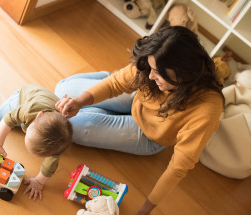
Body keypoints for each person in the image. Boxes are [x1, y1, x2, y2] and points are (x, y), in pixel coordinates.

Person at [55, 26, 224, 214]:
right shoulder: (152, 66)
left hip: (149, 135)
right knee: (62, 91)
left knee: (71, 127)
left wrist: (145, 210)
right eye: (151, 68)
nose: (151, 75)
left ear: (183, 74)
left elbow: (178, 168)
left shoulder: (206, 110)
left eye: (158, 73)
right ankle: (104, 89)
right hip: (138, 100)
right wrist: (78, 102)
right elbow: (115, 83)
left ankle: (100, 107)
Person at [0, 84, 72, 200]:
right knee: (0, 115)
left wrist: (39, 182)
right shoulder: (29, 110)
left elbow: (49, 166)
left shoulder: (57, 145)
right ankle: (16, 97)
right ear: (38, 116)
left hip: (50, 101)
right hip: (27, 94)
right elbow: (7, 120)